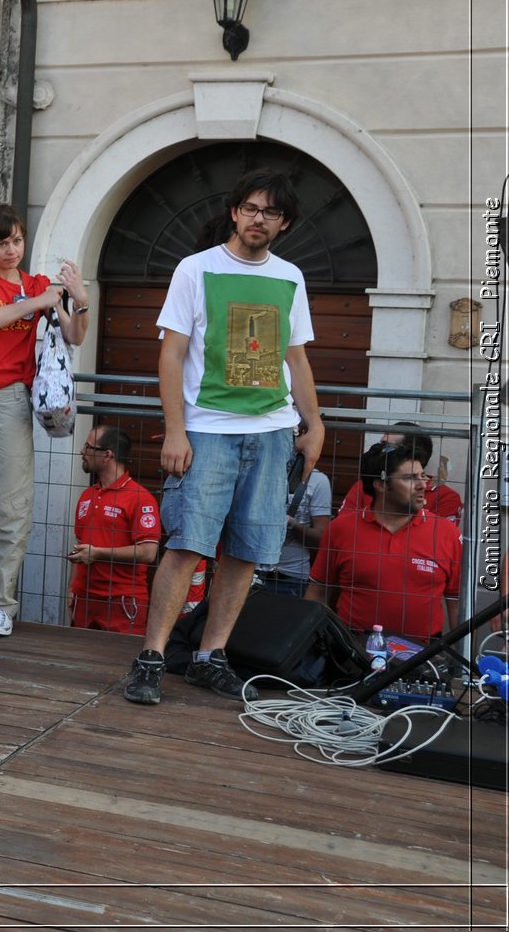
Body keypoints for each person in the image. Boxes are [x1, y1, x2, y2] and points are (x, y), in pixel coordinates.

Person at [123, 169, 324, 706]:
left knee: (247, 552)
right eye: (252, 208)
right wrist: (175, 429)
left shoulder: (290, 277)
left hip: (273, 431)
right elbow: (171, 353)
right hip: (207, 432)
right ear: (235, 212)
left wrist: (315, 423)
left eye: (272, 213)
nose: (260, 219)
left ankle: (211, 657)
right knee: (187, 544)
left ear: (283, 224)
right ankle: (152, 658)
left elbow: (295, 356)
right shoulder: (196, 268)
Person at [0, 200, 88, 637]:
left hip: (12, 397)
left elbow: (75, 334)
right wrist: (38, 300)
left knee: (10, 503)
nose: (12, 250)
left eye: (18, 241)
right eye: (2, 243)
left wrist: (78, 298)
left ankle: (2, 604)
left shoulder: (38, 284)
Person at [307, 442, 461, 639]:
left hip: (422, 655)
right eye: (410, 478)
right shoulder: (341, 529)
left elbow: (457, 603)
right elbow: (318, 592)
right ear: (380, 484)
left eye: (422, 476)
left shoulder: (446, 532)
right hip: (353, 651)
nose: (423, 484)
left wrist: (468, 666)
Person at [65, 425, 160, 634]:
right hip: (85, 600)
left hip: (122, 602)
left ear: (107, 455)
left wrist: (98, 554)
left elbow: (148, 552)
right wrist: (72, 589)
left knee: (118, 663)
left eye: (88, 446)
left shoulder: (140, 498)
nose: (82, 451)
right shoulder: (87, 496)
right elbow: (80, 546)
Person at [255, 421, 332, 598]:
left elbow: (322, 538)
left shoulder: (318, 481)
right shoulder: (256, 470)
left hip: (292, 577)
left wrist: (292, 523)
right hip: (251, 572)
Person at [340, 423, 463, 523]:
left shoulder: (444, 496)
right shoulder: (368, 484)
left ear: (409, 453)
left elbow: (439, 544)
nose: (379, 451)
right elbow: (344, 531)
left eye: (387, 446)